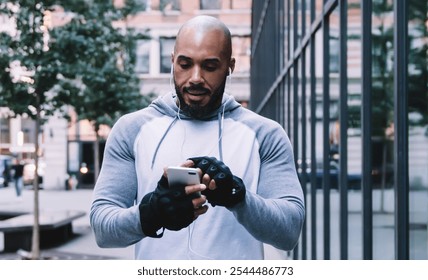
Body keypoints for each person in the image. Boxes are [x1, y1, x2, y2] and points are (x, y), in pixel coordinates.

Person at [90, 15, 305, 260]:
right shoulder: (131, 129)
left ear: (229, 66)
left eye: (210, 66)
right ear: (172, 61)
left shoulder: (266, 134)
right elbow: (102, 229)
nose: (195, 77)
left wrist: (239, 198)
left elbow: (289, 232)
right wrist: (151, 214)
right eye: (184, 64)